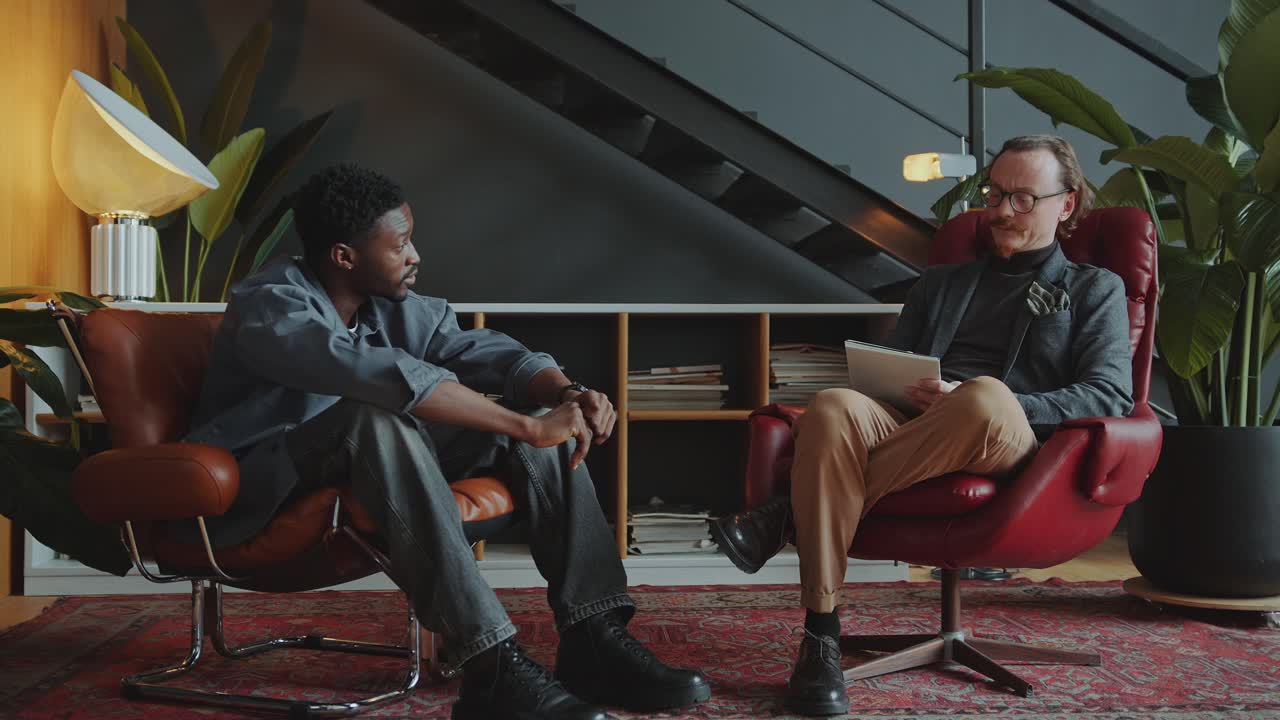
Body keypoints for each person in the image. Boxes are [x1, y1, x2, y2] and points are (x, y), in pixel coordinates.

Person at [183, 164, 710, 720]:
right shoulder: (272, 306)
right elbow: (377, 377)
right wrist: (528, 426)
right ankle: (490, 666)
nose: (415, 256)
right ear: (344, 256)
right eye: (401, 244)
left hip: (369, 460)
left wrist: (566, 395)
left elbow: (483, 352)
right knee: (378, 418)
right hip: (259, 484)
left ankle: (593, 638)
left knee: (535, 415)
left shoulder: (387, 305)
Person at [710, 135, 1134, 716]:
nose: (1002, 211)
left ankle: (786, 512)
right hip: (918, 428)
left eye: (1023, 199)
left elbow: (1110, 394)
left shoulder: (1094, 288)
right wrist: (896, 388)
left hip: (1011, 437)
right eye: (996, 194)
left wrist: (990, 399)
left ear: (1067, 204)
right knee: (834, 404)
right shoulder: (942, 284)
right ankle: (821, 633)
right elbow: (887, 375)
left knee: (983, 396)